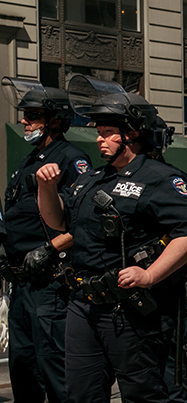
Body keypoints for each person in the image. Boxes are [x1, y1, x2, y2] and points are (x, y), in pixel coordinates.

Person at [35, 76, 187, 403]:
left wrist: (150, 275)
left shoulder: (160, 178)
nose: (99, 139)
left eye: (107, 132)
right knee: (81, 394)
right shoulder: (91, 179)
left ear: (132, 133)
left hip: (129, 308)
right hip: (83, 302)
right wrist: (46, 188)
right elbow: (58, 223)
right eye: (98, 132)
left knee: (143, 394)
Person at [1, 77, 89, 403]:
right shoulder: (28, 160)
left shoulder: (71, 158)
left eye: (33, 116)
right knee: (23, 370)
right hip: (22, 283)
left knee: (55, 372)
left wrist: (50, 249)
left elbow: (83, 222)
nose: (25, 122)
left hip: (50, 283)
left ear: (55, 120)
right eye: (25, 115)